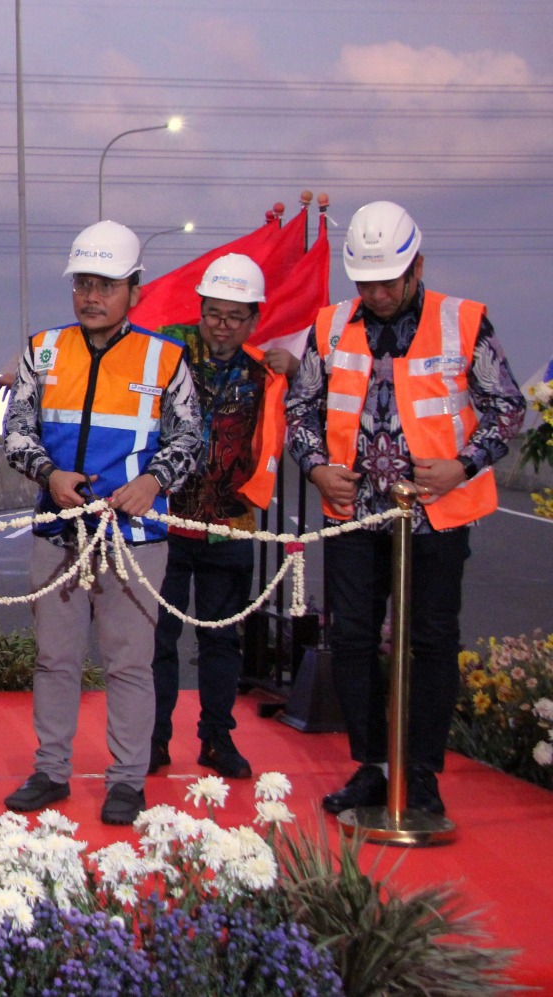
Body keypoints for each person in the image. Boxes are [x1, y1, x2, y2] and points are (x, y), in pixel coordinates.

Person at [286, 201, 524, 817]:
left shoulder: (463, 322)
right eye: (365, 282)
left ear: (416, 266)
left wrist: (462, 466)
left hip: (437, 517)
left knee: (431, 641)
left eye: (388, 281)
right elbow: (300, 410)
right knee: (356, 640)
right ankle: (373, 765)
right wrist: (316, 468)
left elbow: (507, 410)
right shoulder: (331, 326)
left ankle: (421, 773)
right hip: (356, 517)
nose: (377, 293)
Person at [2, 220, 202, 825]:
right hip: (58, 532)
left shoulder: (166, 358)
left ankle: (126, 780)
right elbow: (16, 431)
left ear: (134, 291)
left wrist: (154, 482)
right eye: (83, 284)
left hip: (135, 539)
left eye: (106, 285)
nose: (91, 296)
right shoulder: (42, 350)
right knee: (54, 661)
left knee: (128, 664)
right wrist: (48, 475)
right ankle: (51, 771)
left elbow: (191, 436)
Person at [148, 254, 293, 781]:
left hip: (230, 525)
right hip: (162, 522)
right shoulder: (166, 353)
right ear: (200, 309)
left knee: (221, 640)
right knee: (156, 639)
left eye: (235, 317)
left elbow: (330, 384)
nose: (222, 326)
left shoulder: (266, 372)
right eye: (213, 313)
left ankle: (216, 739)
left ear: (254, 319)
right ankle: (154, 739)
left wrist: (297, 368)